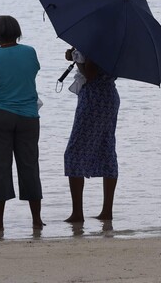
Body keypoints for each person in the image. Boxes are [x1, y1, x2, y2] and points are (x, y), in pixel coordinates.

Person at [0, 15, 44, 232]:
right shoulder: (30, 52)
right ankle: (36, 219)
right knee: (30, 165)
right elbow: (33, 72)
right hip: (28, 115)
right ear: (18, 32)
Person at [63, 48, 120, 224]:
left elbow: (90, 73)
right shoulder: (114, 41)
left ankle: (77, 213)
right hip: (109, 95)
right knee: (107, 148)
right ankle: (107, 211)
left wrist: (77, 59)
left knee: (73, 153)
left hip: (93, 97)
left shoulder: (96, 42)